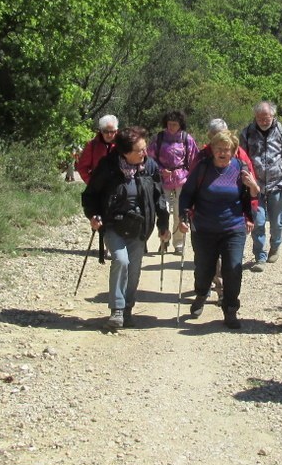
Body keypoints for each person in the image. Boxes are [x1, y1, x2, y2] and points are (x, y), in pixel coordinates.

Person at [81, 126, 171, 331]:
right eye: (139, 150)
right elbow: (90, 195)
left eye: (144, 148)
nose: (144, 153)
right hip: (113, 224)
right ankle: (117, 309)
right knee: (121, 260)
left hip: (140, 226)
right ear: (125, 152)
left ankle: (128, 308)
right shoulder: (108, 167)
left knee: (134, 268)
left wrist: (163, 224)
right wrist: (93, 215)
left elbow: (160, 198)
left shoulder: (150, 167)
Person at [178, 130, 256, 329]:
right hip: (204, 228)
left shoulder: (241, 168)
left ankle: (230, 308)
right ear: (212, 150)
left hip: (233, 227)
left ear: (233, 151)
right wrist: (184, 216)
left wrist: (254, 186)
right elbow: (186, 194)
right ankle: (202, 293)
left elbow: (253, 195)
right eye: (218, 149)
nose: (222, 153)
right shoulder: (203, 168)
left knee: (233, 268)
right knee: (204, 269)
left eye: (226, 149)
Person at [193, 119, 261, 302]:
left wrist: (250, 215)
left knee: (229, 261)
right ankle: (207, 287)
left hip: (233, 220)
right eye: (216, 136)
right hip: (206, 220)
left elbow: (250, 188)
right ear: (210, 137)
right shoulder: (202, 158)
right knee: (208, 260)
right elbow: (192, 187)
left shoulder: (240, 156)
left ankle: (223, 293)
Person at [239, 101, 282, 272]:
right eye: (259, 118)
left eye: (266, 118)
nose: (263, 121)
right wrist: (244, 178)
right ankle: (260, 255)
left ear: (272, 116)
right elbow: (241, 159)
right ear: (255, 117)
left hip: (278, 184)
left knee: (277, 222)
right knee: (258, 221)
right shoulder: (247, 133)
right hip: (254, 185)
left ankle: (275, 246)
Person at [146, 110, 199, 255]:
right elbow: (149, 159)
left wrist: (187, 175)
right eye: (169, 124)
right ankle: (164, 238)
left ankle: (179, 243)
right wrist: (160, 169)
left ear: (180, 124)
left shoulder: (187, 139)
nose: (171, 127)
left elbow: (195, 161)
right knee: (162, 211)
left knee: (179, 212)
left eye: (175, 124)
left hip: (182, 179)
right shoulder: (159, 138)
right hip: (162, 180)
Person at [75, 115, 119, 184]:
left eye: (112, 131)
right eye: (106, 131)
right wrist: (92, 183)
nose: (109, 135)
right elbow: (82, 167)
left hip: (119, 188)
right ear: (101, 131)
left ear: (116, 131)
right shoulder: (92, 145)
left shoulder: (122, 145)